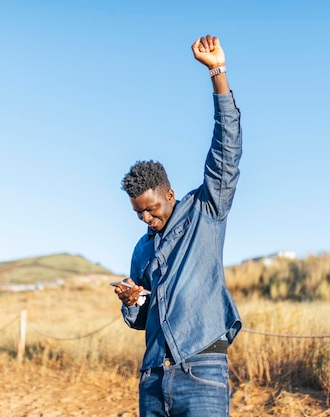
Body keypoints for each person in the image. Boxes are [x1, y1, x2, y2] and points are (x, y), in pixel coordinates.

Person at [114, 34, 242, 417]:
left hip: (201, 371)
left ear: (169, 194)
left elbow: (226, 149)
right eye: (138, 213)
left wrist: (217, 72)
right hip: (153, 375)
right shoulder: (142, 248)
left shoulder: (205, 209)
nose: (145, 218)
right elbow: (146, 316)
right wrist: (133, 300)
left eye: (151, 209)